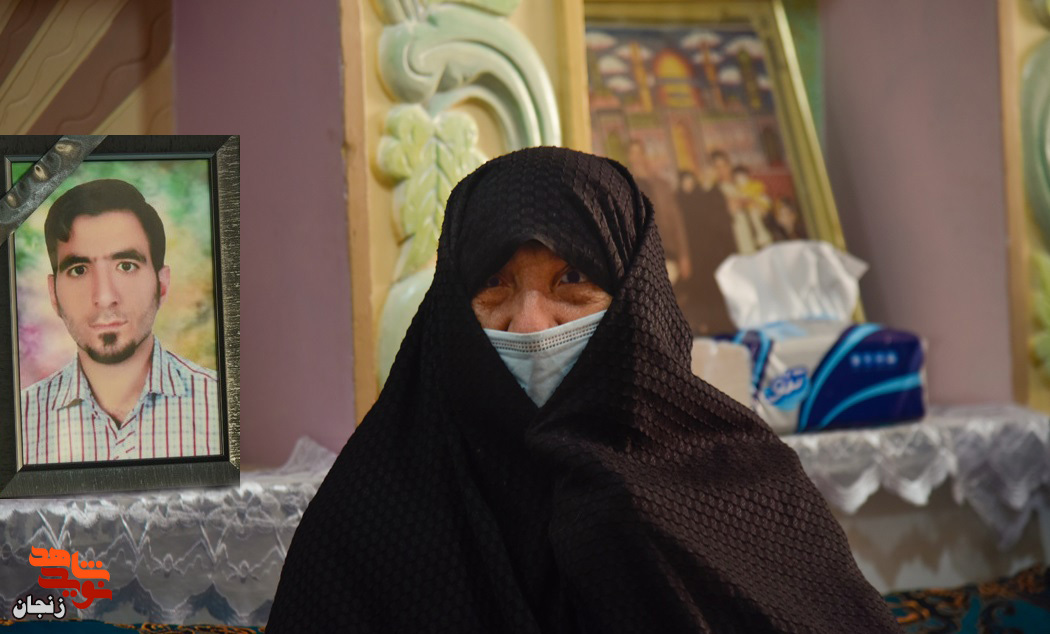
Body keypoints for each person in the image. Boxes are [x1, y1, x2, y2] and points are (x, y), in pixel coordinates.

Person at [267, 147, 901, 633]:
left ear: (636, 303)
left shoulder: (742, 482)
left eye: (571, 279)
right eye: (494, 283)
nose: (529, 323)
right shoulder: (372, 511)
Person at [20, 179, 220, 465]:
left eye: (126, 266)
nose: (104, 297)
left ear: (162, 285)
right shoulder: (19, 423)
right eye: (79, 270)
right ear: (54, 294)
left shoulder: (221, 406)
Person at [675, 169, 736, 335]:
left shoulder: (702, 199)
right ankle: (706, 325)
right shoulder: (679, 202)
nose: (688, 186)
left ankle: (722, 324)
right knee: (699, 292)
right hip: (693, 256)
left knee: (714, 289)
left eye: (690, 181)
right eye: (685, 182)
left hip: (710, 254)